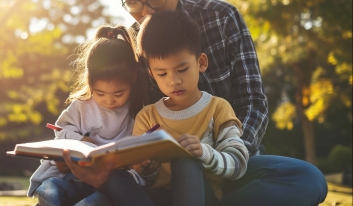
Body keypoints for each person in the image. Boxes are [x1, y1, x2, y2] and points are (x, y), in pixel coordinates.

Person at [62, 0, 328, 205]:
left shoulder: (222, 18)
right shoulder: (130, 45)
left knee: (307, 179)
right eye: (133, 3)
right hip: (166, 178)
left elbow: (253, 103)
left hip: (231, 166)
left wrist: (219, 158)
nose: (145, 12)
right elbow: (127, 119)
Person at [101, 10, 249, 206]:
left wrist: (203, 152)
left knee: (184, 161)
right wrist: (146, 168)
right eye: (162, 74)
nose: (174, 81)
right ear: (152, 74)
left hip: (203, 196)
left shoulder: (217, 108)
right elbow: (147, 178)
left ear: (201, 63)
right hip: (161, 197)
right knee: (115, 178)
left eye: (182, 70)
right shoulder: (148, 116)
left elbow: (238, 164)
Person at [28, 25, 144, 206]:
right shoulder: (82, 105)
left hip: (107, 186)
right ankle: (49, 198)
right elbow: (62, 131)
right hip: (73, 177)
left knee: (101, 201)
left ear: (133, 76)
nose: (109, 101)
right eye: (100, 93)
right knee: (53, 188)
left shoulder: (137, 110)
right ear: (90, 82)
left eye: (118, 94)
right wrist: (80, 140)